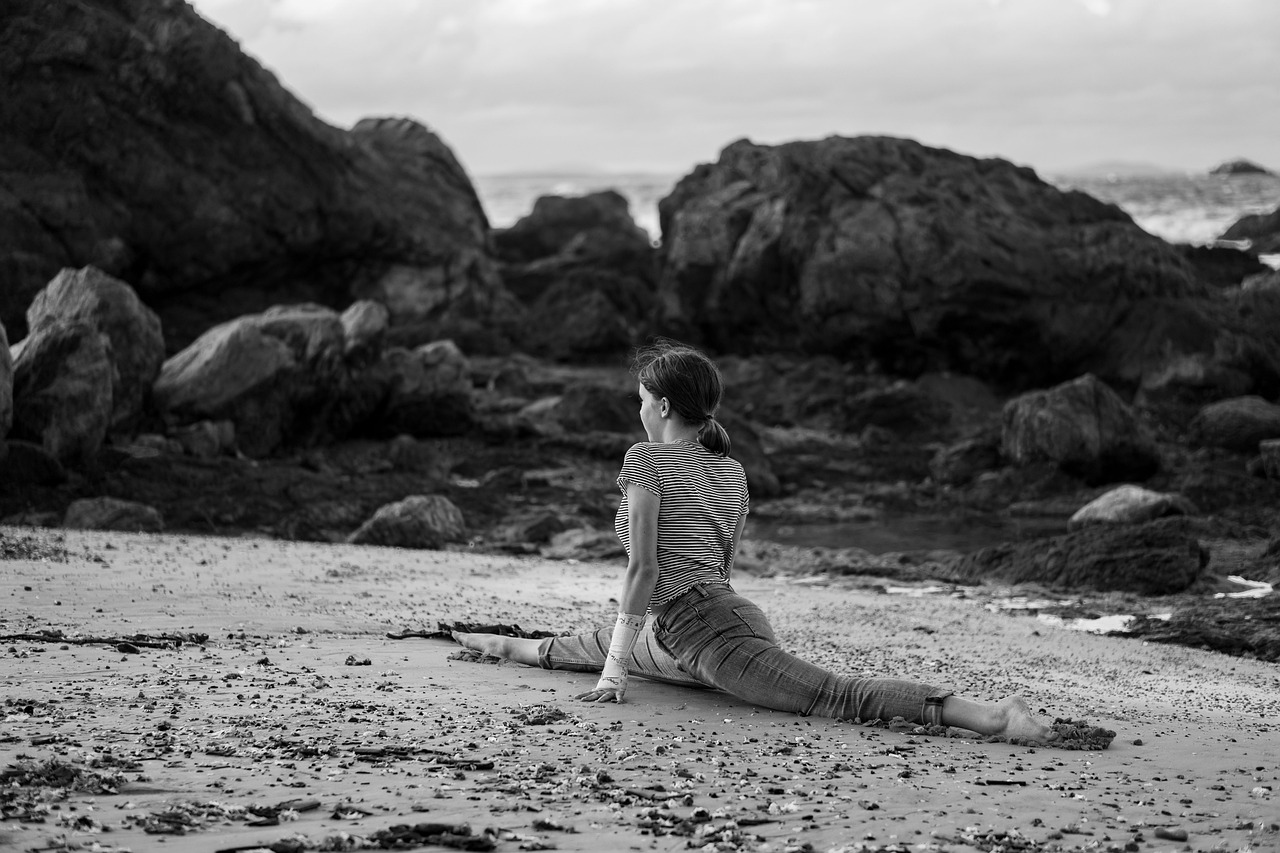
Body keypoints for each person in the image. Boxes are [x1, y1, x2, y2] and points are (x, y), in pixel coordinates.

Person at [453, 339, 1065, 745]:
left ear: (662, 406)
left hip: (701, 628)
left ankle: (994, 716)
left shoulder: (645, 460)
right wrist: (620, 652)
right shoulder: (731, 469)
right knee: (580, 648)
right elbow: (722, 562)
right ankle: (492, 642)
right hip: (712, 616)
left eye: (641, 402)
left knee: (835, 695)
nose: (638, 411)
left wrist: (614, 674)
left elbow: (643, 569)